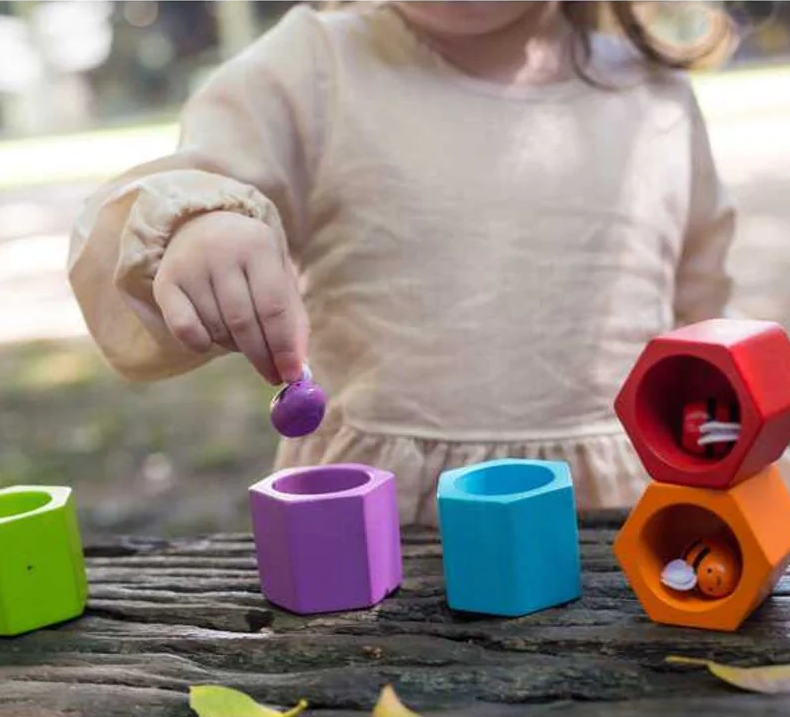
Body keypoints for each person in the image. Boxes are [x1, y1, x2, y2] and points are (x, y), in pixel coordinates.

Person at [68, 2, 737, 526]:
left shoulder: (657, 98)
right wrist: (199, 225)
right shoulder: (312, 68)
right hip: (386, 529)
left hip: (621, 520)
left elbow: (704, 332)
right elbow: (148, 214)